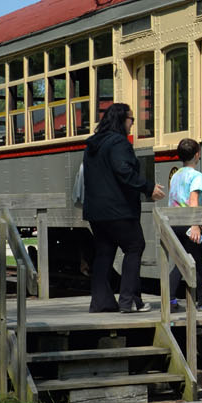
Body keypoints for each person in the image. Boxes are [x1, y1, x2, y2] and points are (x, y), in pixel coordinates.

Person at [81, 102, 152, 313]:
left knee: (104, 253)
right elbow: (124, 171)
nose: (132, 124)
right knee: (135, 246)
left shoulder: (93, 145)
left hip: (96, 211)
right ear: (122, 120)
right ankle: (127, 300)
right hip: (118, 209)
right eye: (131, 119)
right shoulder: (119, 143)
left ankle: (101, 302)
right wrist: (148, 187)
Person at [166, 137, 202, 312]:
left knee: (186, 261)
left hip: (174, 223)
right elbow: (193, 200)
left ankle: (197, 300)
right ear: (197, 155)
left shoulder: (176, 175)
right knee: (190, 262)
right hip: (188, 223)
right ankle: (198, 301)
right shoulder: (196, 176)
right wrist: (196, 224)